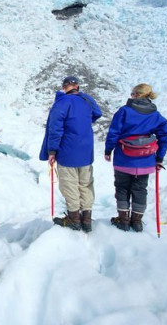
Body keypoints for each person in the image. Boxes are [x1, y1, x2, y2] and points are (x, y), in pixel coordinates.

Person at [104, 83, 167, 232]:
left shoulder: (124, 111)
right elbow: (165, 136)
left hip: (124, 158)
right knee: (140, 189)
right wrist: (159, 157)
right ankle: (137, 222)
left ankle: (123, 220)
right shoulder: (155, 115)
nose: (131, 96)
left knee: (122, 188)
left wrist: (108, 150)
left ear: (136, 95)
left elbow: (114, 132)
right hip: (145, 160)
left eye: (132, 93)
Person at [39, 76, 102, 232]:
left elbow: (55, 129)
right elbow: (97, 113)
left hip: (67, 149)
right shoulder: (87, 101)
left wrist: (52, 150)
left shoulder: (62, 103)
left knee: (69, 183)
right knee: (86, 183)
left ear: (64, 87)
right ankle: (86, 218)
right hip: (86, 150)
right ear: (77, 86)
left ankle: (74, 218)